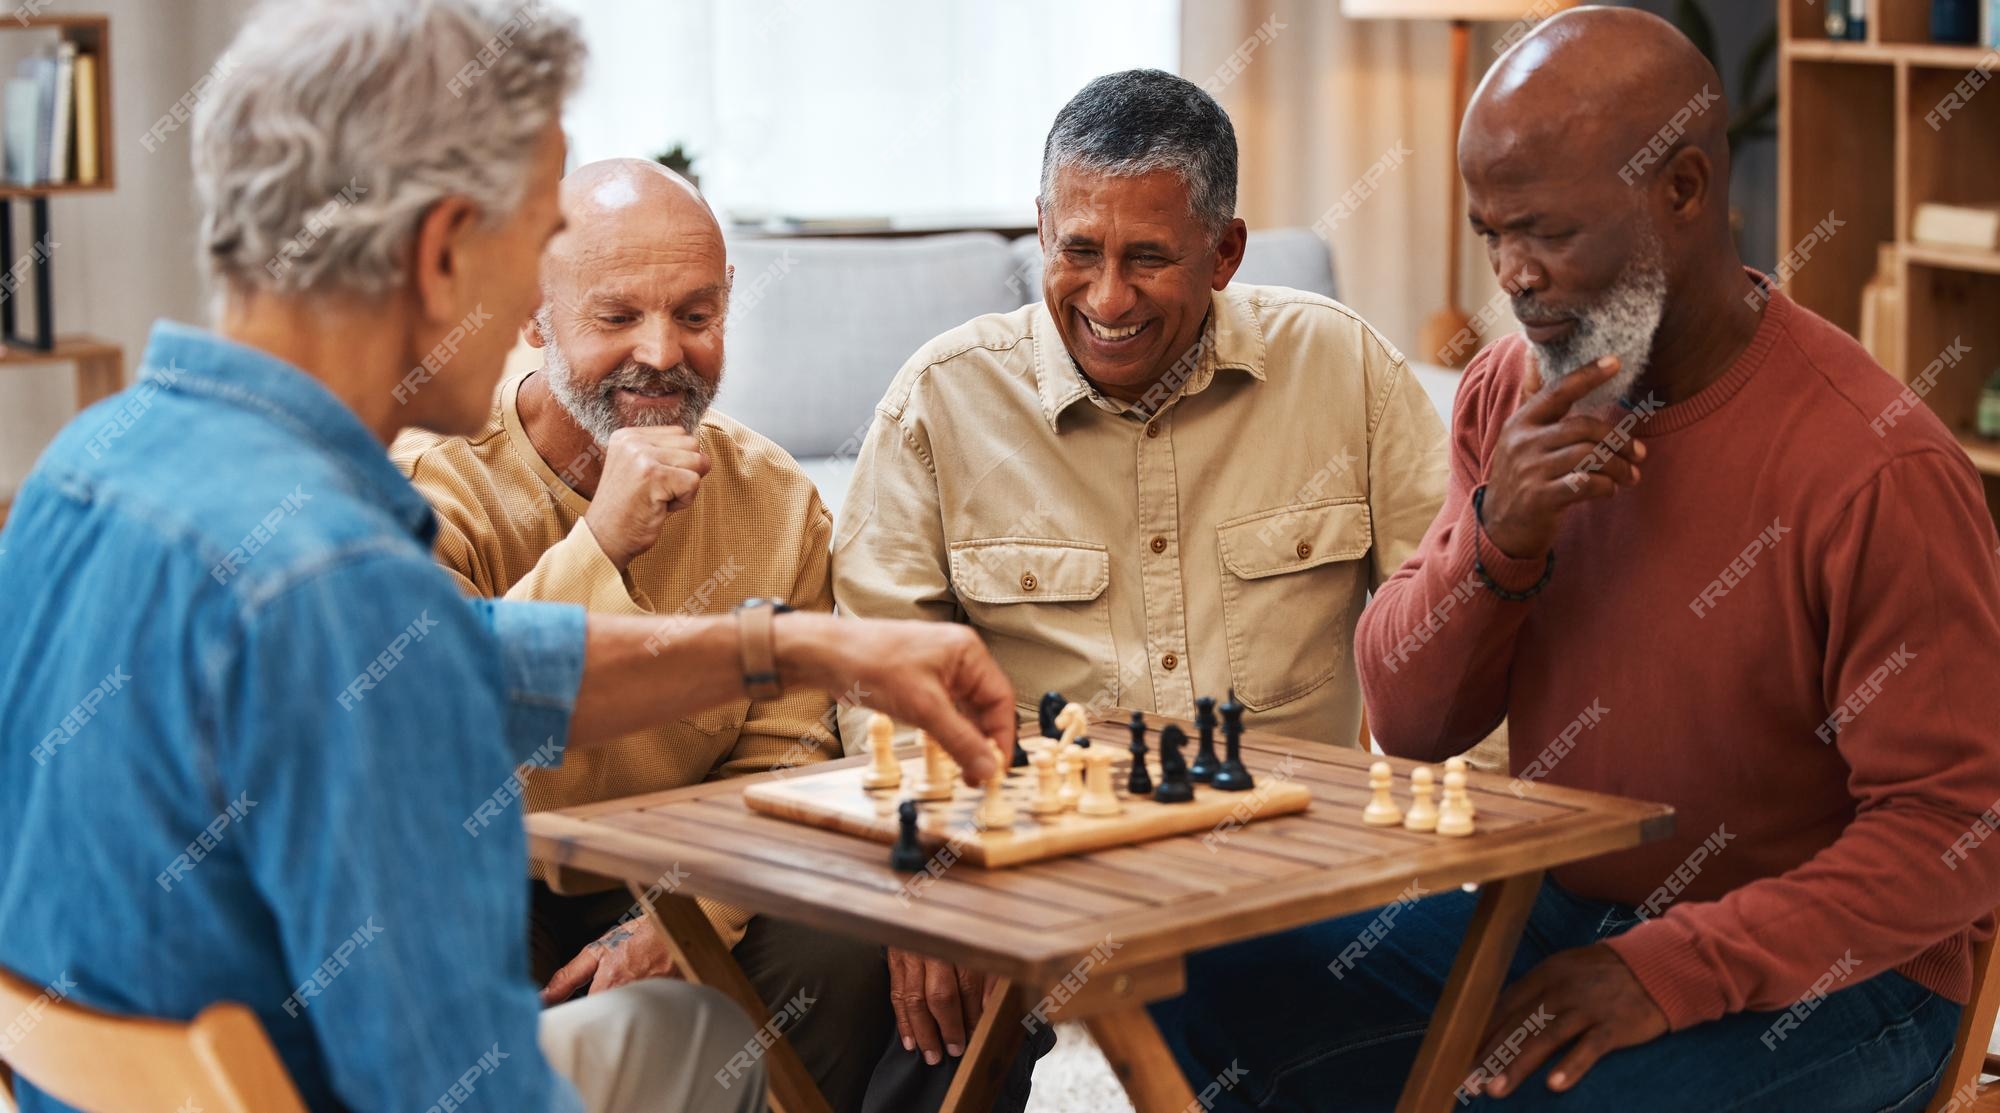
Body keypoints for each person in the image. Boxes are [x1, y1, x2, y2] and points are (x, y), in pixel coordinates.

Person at [0, 3, 1014, 1112]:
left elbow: (457, 656)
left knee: (684, 1022)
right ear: (442, 254)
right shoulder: (334, 579)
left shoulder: (89, 461)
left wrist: (792, 647)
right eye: (535, 240)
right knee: (688, 1035)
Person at [1148, 9, 2000, 1111]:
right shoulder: (1513, 390)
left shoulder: (1874, 471)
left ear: (1682, 189)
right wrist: (1499, 538)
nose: (1511, 276)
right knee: (1189, 969)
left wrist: (1667, 970)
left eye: (1543, 232)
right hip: (1555, 914)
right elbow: (1411, 725)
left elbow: (1954, 834)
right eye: (1487, 232)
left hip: (1845, 977)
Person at [832, 68, 1447, 1111]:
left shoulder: (1344, 370)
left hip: (1292, 890)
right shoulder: (939, 402)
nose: (1105, 299)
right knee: (916, 1063)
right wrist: (929, 883)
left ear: (1225, 251)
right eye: (1077, 251)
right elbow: (882, 691)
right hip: (1027, 900)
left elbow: (1451, 635)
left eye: (1147, 259)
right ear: (1040, 232)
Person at [392, 157, 890, 1112]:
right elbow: (437, 732)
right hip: (486, 871)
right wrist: (602, 540)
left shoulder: (777, 500)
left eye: (696, 317)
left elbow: (786, 755)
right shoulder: (433, 484)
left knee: (852, 940)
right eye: (616, 317)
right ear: (535, 316)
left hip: (681, 867)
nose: (662, 353)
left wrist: (684, 916)